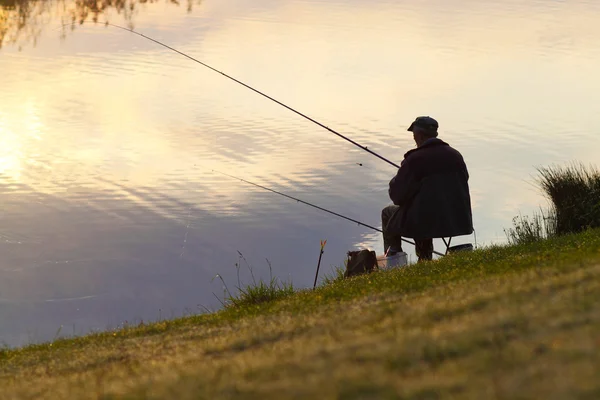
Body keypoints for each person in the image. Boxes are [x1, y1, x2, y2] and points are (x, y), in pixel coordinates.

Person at [382, 116, 473, 262]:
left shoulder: (414, 159)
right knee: (423, 209)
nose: (414, 139)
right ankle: (424, 259)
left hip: (426, 220)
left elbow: (397, 196)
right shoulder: (455, 155)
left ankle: (395, 260)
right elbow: (463, 180)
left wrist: (395, 180)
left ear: (419, 135)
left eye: (414, 135)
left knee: (388, 212)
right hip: (456, 218)